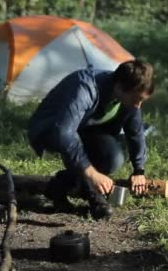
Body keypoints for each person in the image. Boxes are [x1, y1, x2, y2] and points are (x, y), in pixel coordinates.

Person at [28, 59, 154, 220]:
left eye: (142, 100)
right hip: (50, 128)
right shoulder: (84, 88)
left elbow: (135, 132)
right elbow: (64, 134)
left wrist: (139, 170)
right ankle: (94, 196)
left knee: (112, 157)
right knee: (78, 148)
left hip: (86, 129)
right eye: (136, 99)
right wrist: (92, 173)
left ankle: (60, 185)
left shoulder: (129, 96)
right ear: (118, 87)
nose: (138, 106)